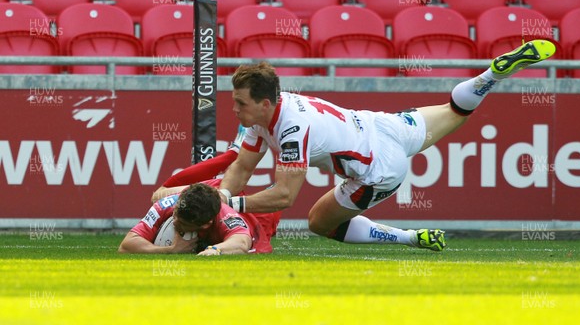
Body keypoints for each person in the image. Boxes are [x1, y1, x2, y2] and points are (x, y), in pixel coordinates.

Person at [215, 40, 556, 251]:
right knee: (455, 111)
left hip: (378, 169)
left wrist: (232, 202)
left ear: (264, 103)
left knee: (318, 222)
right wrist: (223, 197)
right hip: (381, 124)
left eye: (240, 103)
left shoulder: (290, 128)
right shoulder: (265, 112)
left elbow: (284, 196)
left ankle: (408, 238)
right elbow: (243, 167)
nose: (235, 110)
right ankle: (490, 76)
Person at [119, 180, 281, 255]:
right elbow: (126, 245)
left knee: (276, 204)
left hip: (256, 221)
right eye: (175, 215)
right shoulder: (166, 205)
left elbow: (242, 242)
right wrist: (169, 250)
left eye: (182, 223)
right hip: (214, 188)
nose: (174, 221)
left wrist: (215, 250)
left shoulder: (226, 217)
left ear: (205, 225)